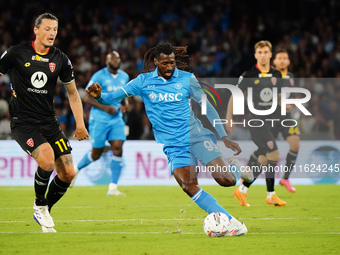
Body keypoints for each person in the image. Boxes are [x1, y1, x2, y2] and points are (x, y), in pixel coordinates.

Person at [86, 43, 253, 236]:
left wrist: (223, 136)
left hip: (195, 136)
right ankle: (231, 222)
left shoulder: (187, 79)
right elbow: (110, 98)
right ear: (156, 62)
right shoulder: (142, 81)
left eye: (172, 62)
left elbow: (207, 106)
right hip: (173, 144)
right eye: (164, 63)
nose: (169, 67)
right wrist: (99, 96)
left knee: (226, 181)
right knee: (188, 185)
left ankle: (235, 167)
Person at [0, 13, 89, 232]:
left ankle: (44, 208)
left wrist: (80, 123)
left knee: (68, 173)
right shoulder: (16, 53)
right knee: (48, 161)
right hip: (23, 123)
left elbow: (73, 93)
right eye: (48, 29)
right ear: (36, 30)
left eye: (55, 30)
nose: (52, 33)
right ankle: (40, 205)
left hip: (49, 122)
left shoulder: (60, 59)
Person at [226, 40, 286, 207]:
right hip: (256, 121)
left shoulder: (276, 75)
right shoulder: (248, 75)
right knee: (273, 154)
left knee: (263, 158)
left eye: (266, 52)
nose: (263, 55)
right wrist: (229, 117)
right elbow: (234, 95)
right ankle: (271, 194)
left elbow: (278, 97)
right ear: (255, 55)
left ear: (270, 54)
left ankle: (242, 190)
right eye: (260, 53)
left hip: (271, 121)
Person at [70, 51, 129, 196]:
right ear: (107, 61)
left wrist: (125, 104)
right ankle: (75, 170)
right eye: (113, 58)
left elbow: (126, 95)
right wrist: (104, 107)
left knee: (118, 147)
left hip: (116, 119)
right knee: (96, 153)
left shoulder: (124, 76)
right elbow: (86, 97)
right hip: (99, 119)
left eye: (118, 58)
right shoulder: (99, 76)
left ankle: (113, 188)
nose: (116, 60)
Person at [272, 49, 300, 192]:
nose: (282, 60)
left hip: (286, 117)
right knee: (265, 151)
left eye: (285, 58)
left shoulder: (290, 77)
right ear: (274, 61)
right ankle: (247, 176)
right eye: (279, 58)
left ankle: (285, 178)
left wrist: (294, 101)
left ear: (289, 61)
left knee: (295, 144)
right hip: (271, 117)